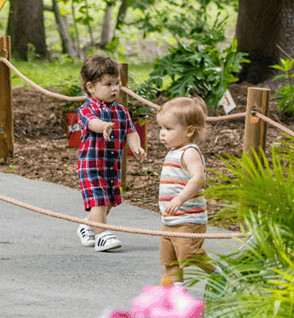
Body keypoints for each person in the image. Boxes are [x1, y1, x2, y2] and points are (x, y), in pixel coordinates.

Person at [76, 54, 145, 252]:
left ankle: (88, 225)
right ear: (91, 87)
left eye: (117, 83)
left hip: (112, 166)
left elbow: (130, 131)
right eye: (108, 84)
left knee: (111, 200)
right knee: (99, 199)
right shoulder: (86, 109)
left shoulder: (122, 111)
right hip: (92, 166)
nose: (115, 88)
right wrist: (103, 126)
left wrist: (135, 146)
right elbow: (91, 123)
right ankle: (102, 236)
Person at [156, 96, 210, 286]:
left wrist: (179, 199)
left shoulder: (190, 152)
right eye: (161, 128)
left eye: (168, 129)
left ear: (188, 131)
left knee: (189, 255)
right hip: (170, 219)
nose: (162, 134)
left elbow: (198, 178)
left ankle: (221, 274)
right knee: (169, 262)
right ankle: (177, 297)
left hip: (188, 218)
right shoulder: (173, 152)